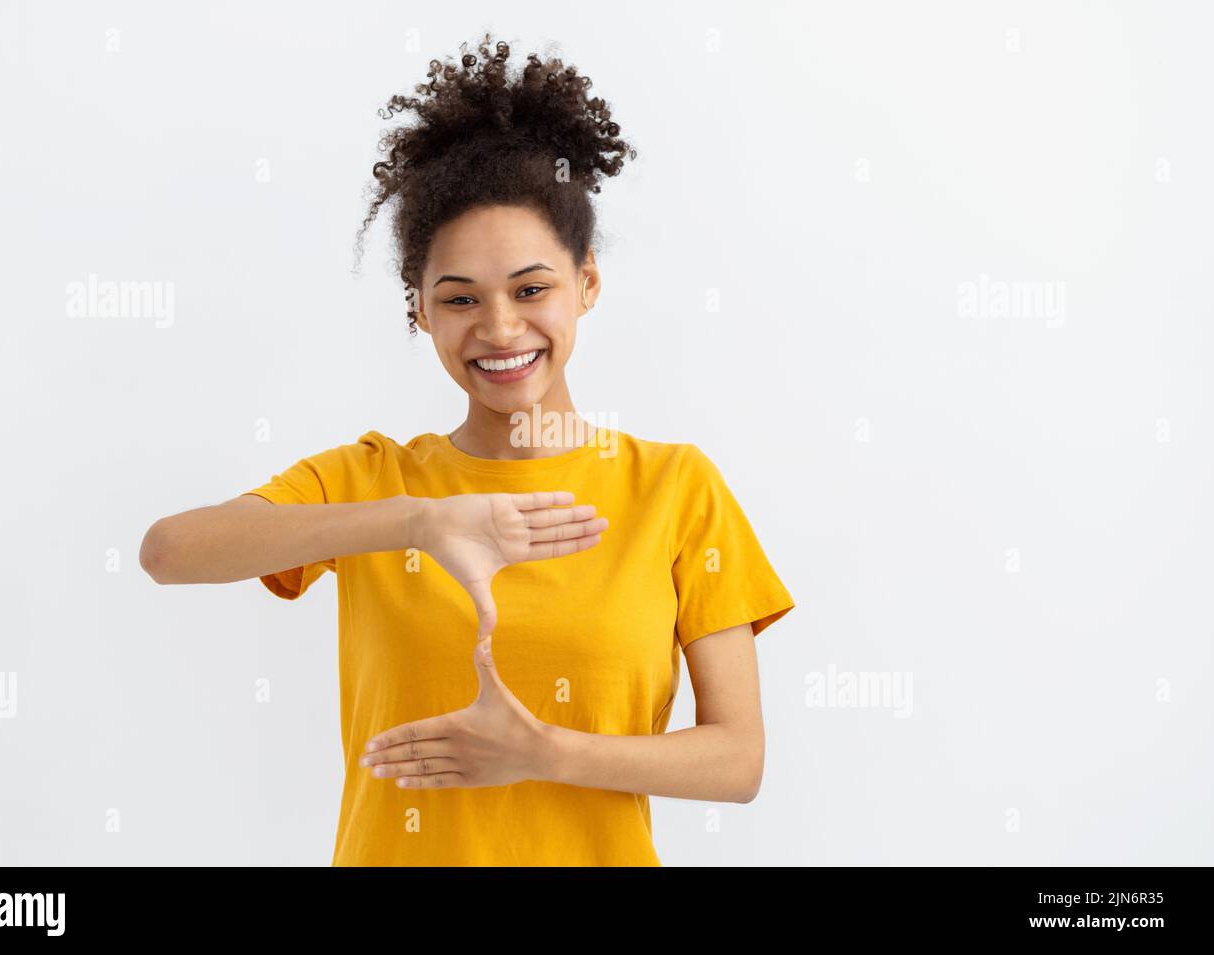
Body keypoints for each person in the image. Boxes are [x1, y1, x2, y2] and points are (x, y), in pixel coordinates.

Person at [139, 33, 795, 866]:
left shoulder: (675, 488)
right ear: (419, 309)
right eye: (459, 299)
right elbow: (168, 552)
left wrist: (543, 753)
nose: (499, 329)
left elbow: (738, 761)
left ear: (586, 283)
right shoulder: (375, 481)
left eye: (531, 289)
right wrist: (417, 523)